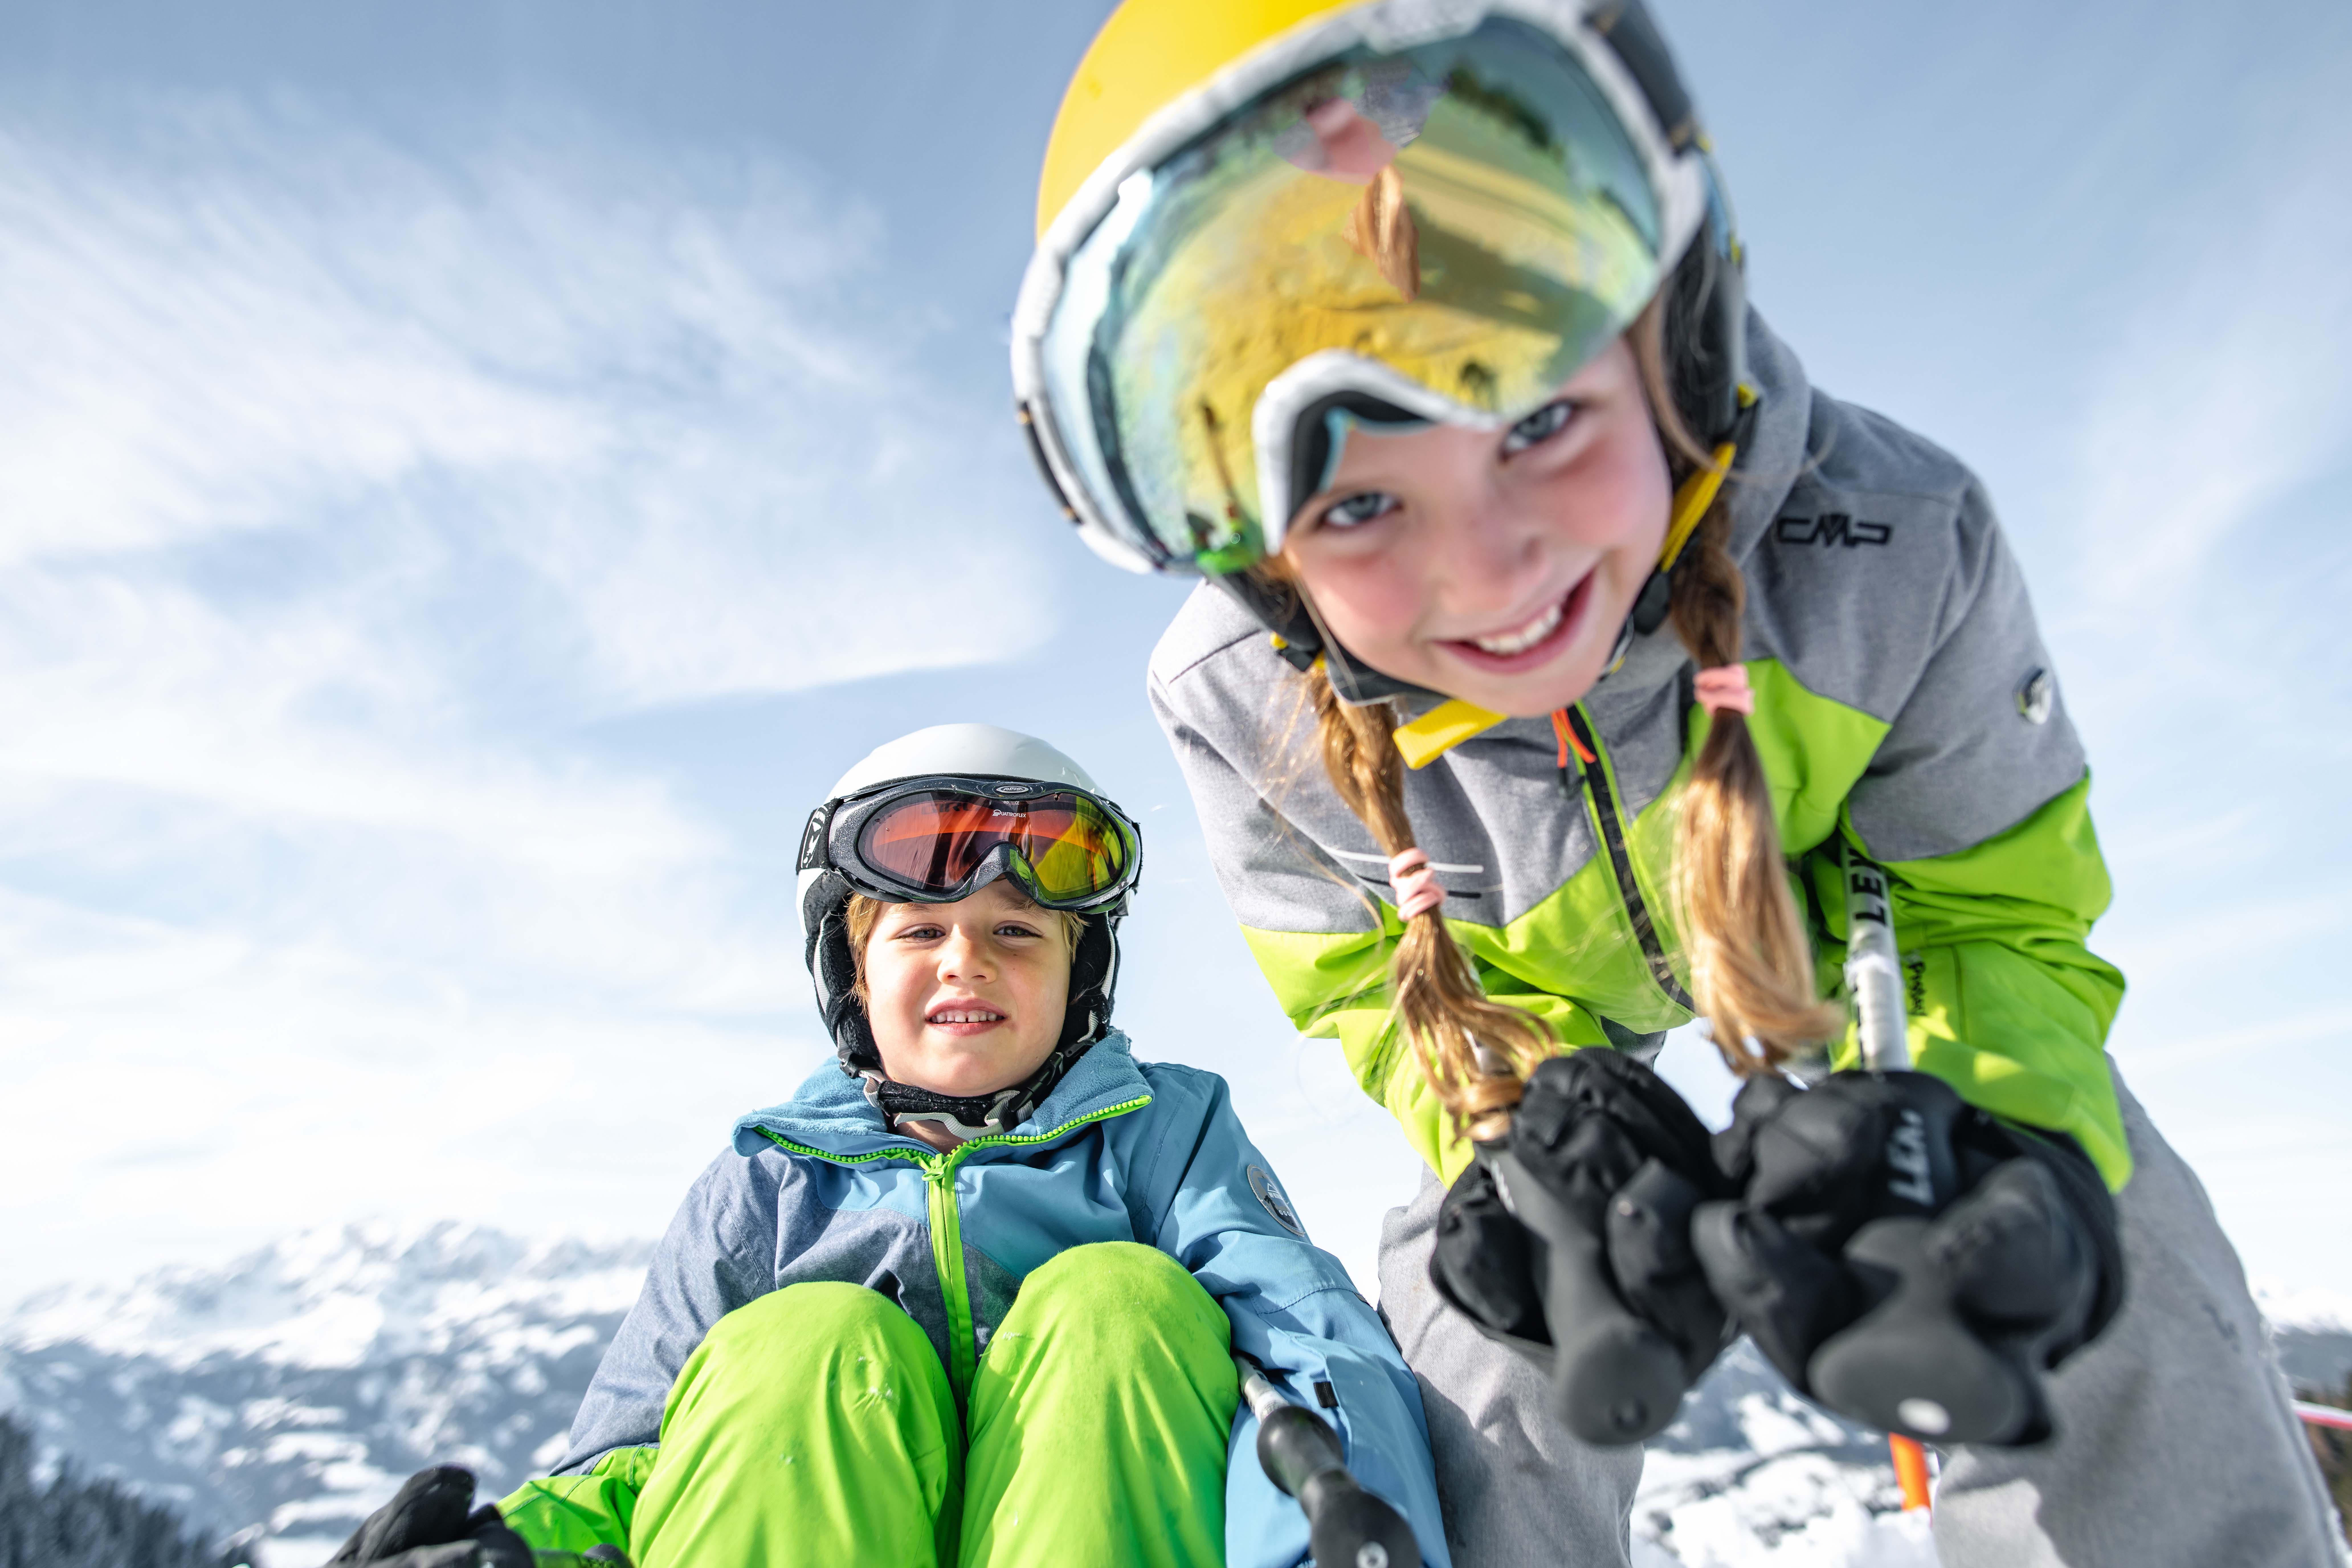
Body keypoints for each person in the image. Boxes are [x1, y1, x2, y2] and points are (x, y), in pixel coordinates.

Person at [1009, 3, 2343, 1564]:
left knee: (2074, 1221)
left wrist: (2000, 1132)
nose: (1491, 565)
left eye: (1543, 420)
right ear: (1262, 554)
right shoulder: (1245, 703)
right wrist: (1508, 1140)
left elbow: (1990, 918)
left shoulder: (1888, 550)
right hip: (1532, 1016)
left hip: (1852, 945)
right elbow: (1376, 988)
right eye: (1364, 499)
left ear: (1675, 337)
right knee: (1486, 1311)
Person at [468, 723, 1450, 1568]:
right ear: (852, 973)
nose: (966, 960)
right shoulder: (764, 1188)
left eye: (1017, 931)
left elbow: (1305, 1362)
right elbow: (637, 1463)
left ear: (1083, 969)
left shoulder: (1164, 1137)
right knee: (805, 1343)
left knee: (1117, 1301)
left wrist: (1349, 1518)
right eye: (921, 930)